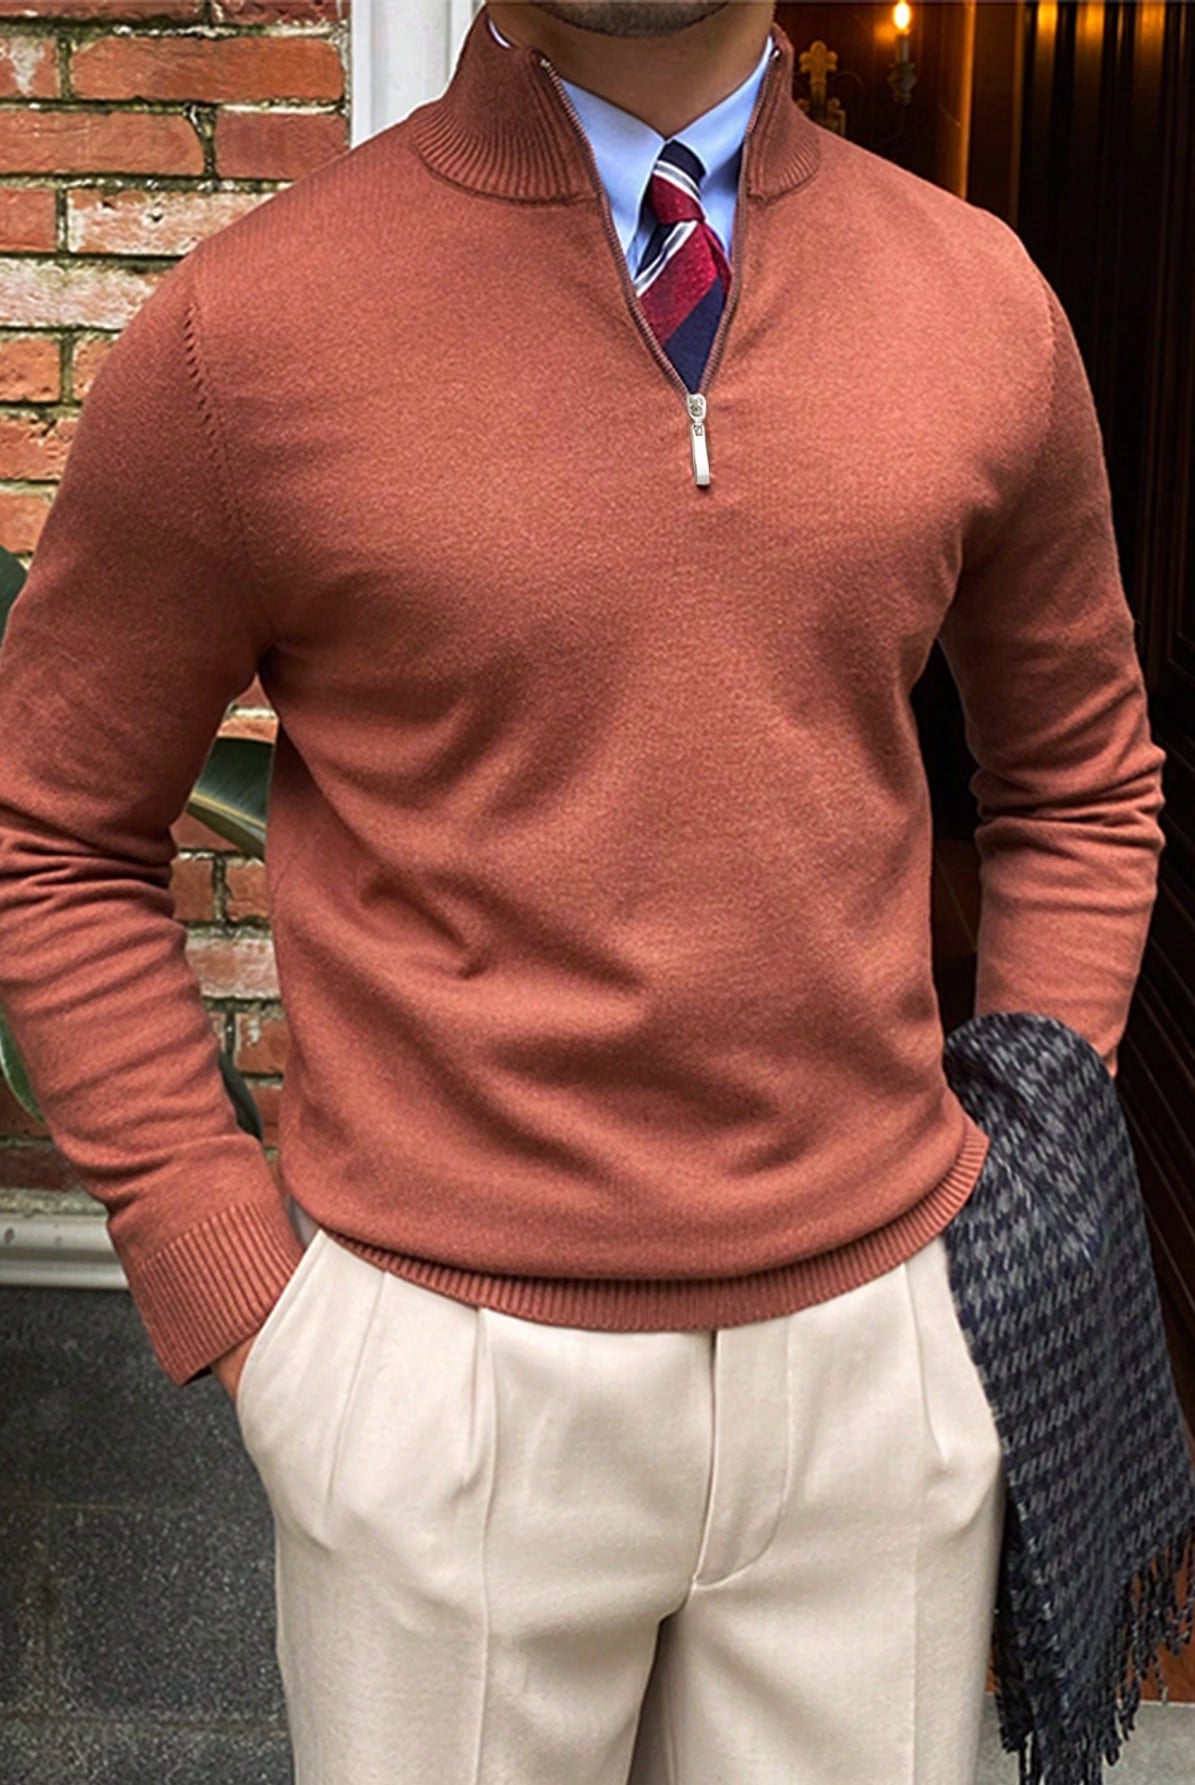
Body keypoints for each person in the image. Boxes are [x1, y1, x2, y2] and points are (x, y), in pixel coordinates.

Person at [0, 3, 1166, 1781]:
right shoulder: (247, 338)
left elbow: (1082, 778)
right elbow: (53, 834)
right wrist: (248, 1297)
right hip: (439, 1389)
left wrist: (1019, 1190)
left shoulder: (980, 299)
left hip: (882, 1383)